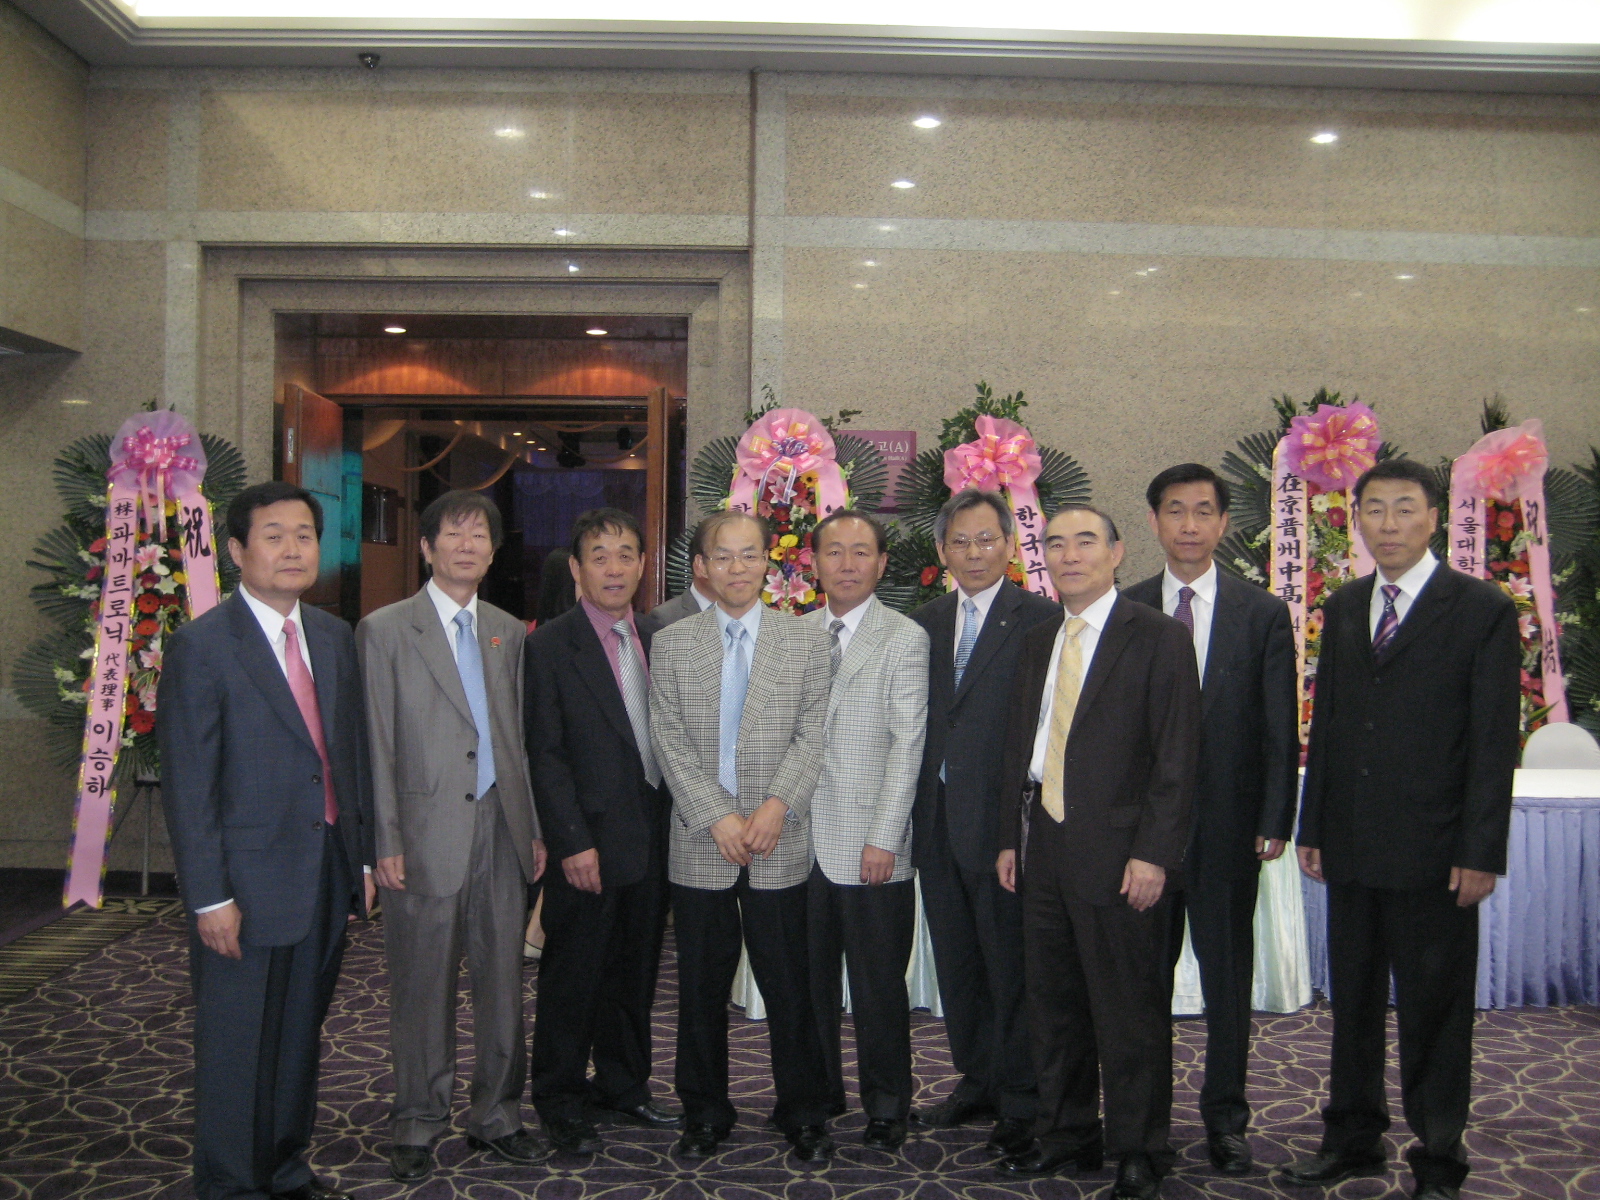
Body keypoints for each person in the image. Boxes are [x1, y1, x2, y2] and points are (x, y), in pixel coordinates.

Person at [1287, 459, 1520, 1200]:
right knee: (1352, 1006)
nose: (1388, 524)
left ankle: (1439, 1157)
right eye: (1374, 509)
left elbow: (1493, 742)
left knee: (1434, 1014)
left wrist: (1481, 850)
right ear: (1356, 518)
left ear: (1433, 518)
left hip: (1436, 851)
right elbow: (1328, 725)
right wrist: (1313, 823)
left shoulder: (1480, 608)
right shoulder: (1347, 603)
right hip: (1352, 844)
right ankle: (1352, 1138)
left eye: (1404, 508)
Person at [158, 480, 376, 1200]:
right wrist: (208, 896)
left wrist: (359, 857)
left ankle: (285, 1169)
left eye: (304, 536)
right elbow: (189, 784)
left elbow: (346, 758)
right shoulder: (203, 646)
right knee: (236, 1044)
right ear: (236, 550)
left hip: (323, 873)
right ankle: (229, 1183)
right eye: (274, 536)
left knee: (297, 1037)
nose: (292, 550)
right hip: (244, 887)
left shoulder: (334, 637)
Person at [996, 505, 1199, 1199]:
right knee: (1054, 1003)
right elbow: (1020, 747)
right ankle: (1068, 1132)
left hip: (1121, 853)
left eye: (1086, 541)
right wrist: (1009, 839)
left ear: (1116, 553)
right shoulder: (1039, 640)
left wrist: (1154, 854)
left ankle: (1141, 1147)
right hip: (1043, 843)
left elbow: (1177, 755)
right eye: (1056, 543)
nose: (1070, 554)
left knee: (1129, 1010)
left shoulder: (1159, 636)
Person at [357, 490, 550, 1184]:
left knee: (503, 983)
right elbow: (376, 743)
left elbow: (518, 739)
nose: (467, 546)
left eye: (480, 537)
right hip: (421, 832)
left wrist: (533, 830)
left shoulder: (508, 630)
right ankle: (416, 1118)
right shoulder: (385, 629)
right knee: (422, 985)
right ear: (426, 547)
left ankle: (497, 1113)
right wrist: (383, 840)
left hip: (502, 826)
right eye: (454, 534)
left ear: (493, 553)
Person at [1124, 463, 1298, 1176]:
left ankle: (1226, 1118)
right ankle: (1146, 1124)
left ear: (1224, 523)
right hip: (1142, 840)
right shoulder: (1126, 606)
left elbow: (1279, 724)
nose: (1189, 524)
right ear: (1154, 522)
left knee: (1227, 984)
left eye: (1203, 511)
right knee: (1142, 987)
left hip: (1228, 831)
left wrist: (1275, 816)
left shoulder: (1261, 613)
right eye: (1175, 510)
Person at [647, 510, 836, 1163]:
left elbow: (814, 732)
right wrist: (716, 814)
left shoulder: (805, 640)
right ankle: (704, 1112)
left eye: (749, 554)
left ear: (769, 562)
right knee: (700, 988)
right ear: (701, 566)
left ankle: (803, 1111)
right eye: (722, 556)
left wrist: (777, 805)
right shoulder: (673, 643)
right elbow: (667, 738)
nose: (736, 567)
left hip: (776, 836)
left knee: (791, 986)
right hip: (702, 838)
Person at [523, 508, 683, 1153]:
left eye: (625, 555)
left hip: (652, 836)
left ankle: (624, 1084)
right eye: (599, 556)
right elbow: (545, 753)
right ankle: (560, 1097)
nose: (613, 569)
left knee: (635, 971)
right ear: (576, 568)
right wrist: (572, 841)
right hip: (586, 841)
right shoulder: (549, 645)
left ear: (643, 566)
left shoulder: (659, 637)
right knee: (573, 976)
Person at [908, 488, 1058, 1158]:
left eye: (986, 540)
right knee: (958, 962)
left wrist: (1016, 831)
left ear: (1011, 545)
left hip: (1003, 828)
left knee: (1011, 967)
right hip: (936, 820)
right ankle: (978, 1079)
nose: (974, 553)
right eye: (960, 542)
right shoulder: (925, 621)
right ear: (942, 550)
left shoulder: (1041, 620)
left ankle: (1023, 1099)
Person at [804, 510, 929, 1150]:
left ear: (881, 564)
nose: (847, 564)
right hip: (797, 844)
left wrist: (884, 836)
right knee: (809, 984)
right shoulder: (792, 634)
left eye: (861, 553)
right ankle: (818, 1093)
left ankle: (886, 1107)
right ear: (814, 563)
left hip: (871, 844)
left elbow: (908, 745)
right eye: (834, 552)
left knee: (878, 987)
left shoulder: (903, 637)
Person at [651, 516, 716, 626]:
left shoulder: (745, 612)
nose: (738, 568)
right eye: (724, 558)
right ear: (701, 565)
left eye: (746, 557)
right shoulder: (666, 617)